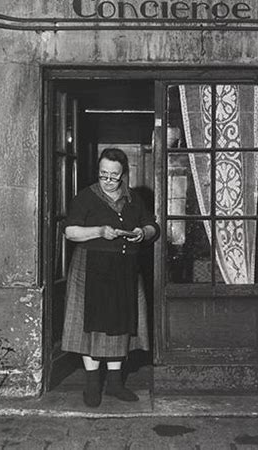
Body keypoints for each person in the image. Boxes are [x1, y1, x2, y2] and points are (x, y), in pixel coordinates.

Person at [61, 148, 159, 407]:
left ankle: (115, 384)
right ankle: (92, 384)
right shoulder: (86, 198)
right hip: (89, 267)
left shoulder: (134, 199)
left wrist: (142, 232)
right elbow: (70, 232)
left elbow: (153, 226)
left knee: (120, 325)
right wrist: (99, 231)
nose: (107, 180)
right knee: (90, 328)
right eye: (103, 174)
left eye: (113, 176)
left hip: (124, 268)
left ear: (123, 175)